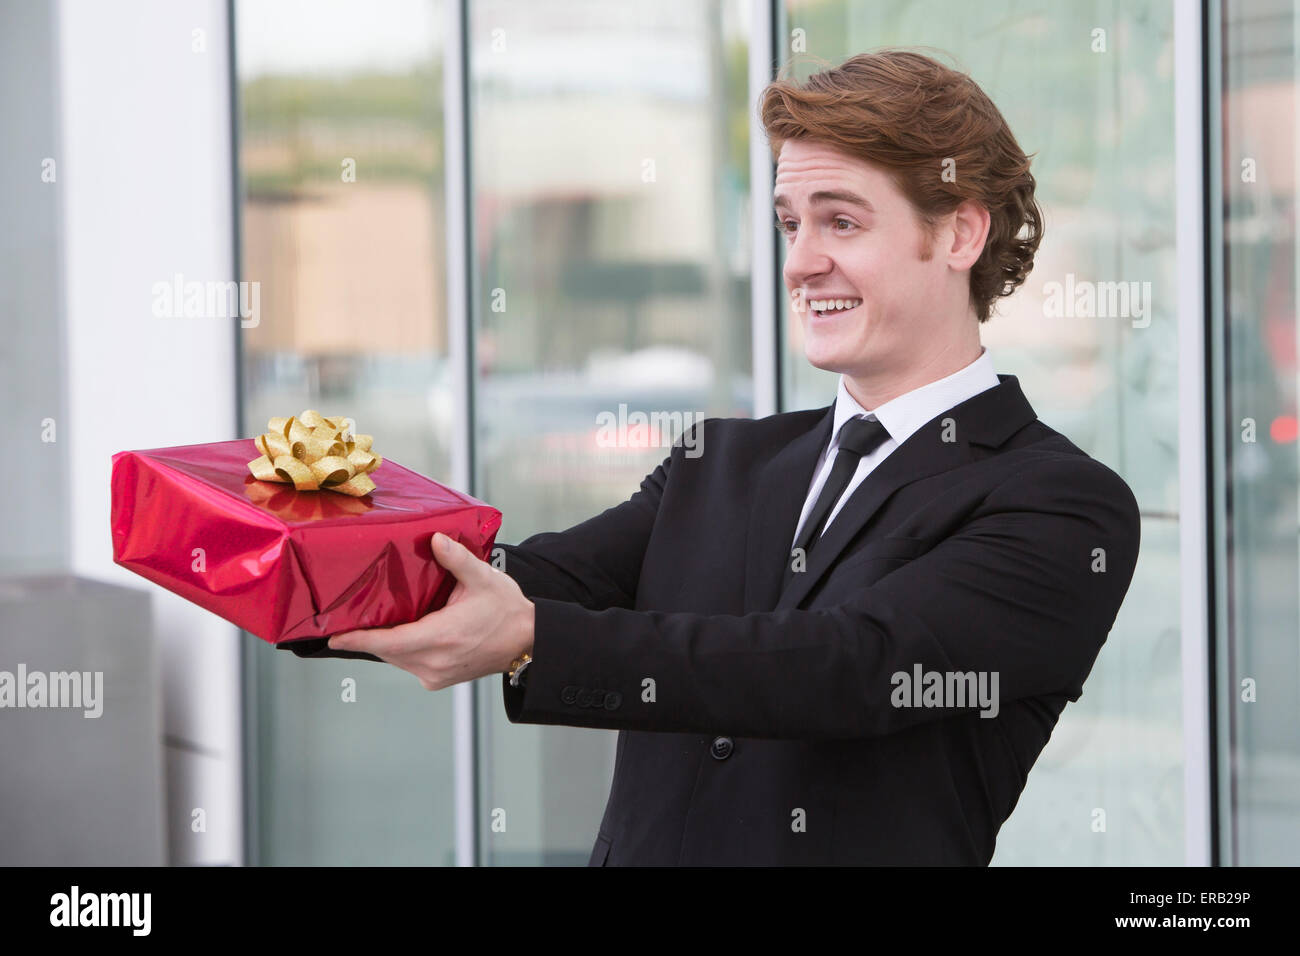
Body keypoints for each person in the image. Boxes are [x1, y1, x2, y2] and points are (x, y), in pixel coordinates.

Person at [327, 49, 1141, 865]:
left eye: (842, 222)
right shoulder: (719, 461)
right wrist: (301, 548)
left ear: (961, 230)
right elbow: (528, 576)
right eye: (791, 224)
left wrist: (534, 636)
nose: (800, 261)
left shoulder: (1061, 505)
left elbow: (851, 665)